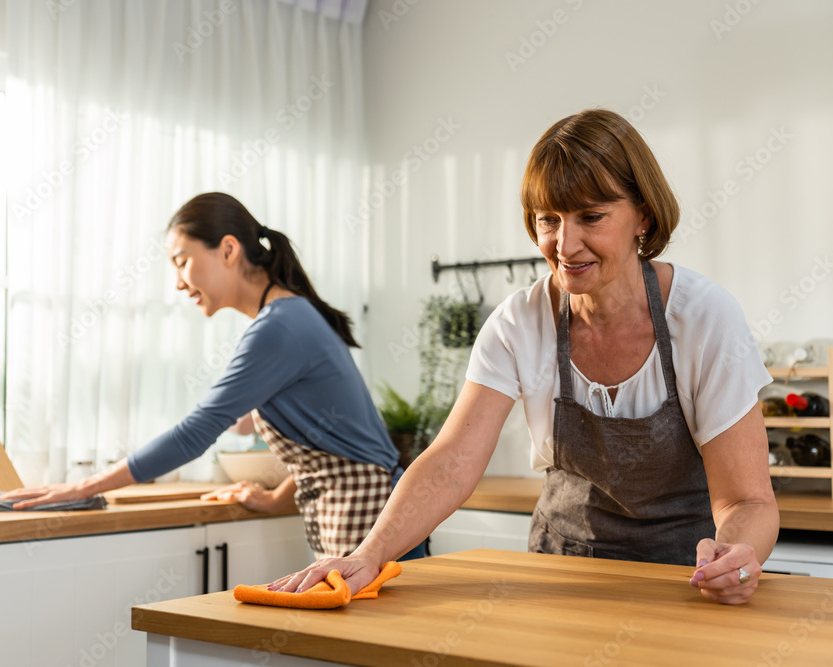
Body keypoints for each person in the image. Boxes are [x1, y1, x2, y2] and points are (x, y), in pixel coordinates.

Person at [273, 109, 779, 605]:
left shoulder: (704, 318)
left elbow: (746, 501)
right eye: (548, 220)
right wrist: (369, 553)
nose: (565, 243)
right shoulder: (520, 321)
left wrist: (734, 557)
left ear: (642, 214)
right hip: (558, 579)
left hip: (680, 585)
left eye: (591, 217)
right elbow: (452, 462)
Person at [0, 192, 425, 560]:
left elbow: (196, 433)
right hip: (368, 514)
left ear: (227, 250)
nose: (179, 283)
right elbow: (335, 442)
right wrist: (276, 499)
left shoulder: (280, 326)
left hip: (374, 521)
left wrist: (84, 487)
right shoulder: (287, 317)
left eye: (181, 262)